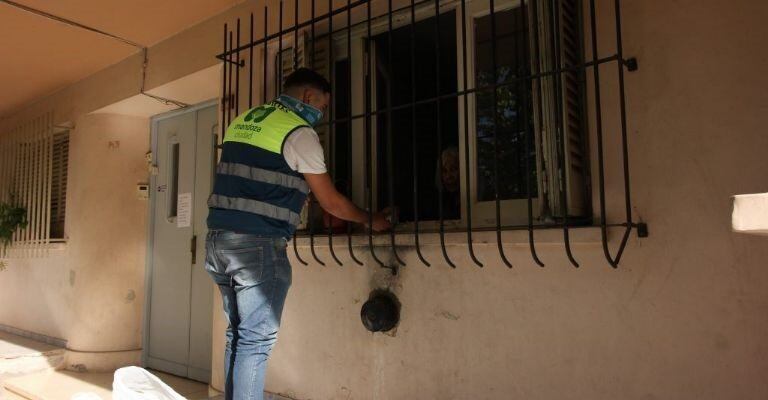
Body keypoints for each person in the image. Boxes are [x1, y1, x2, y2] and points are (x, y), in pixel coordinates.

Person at [204, 68, 391, 400]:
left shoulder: (245, 120)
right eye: (323, 105)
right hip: (256, 247)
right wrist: (371, 220)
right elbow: (332, 202)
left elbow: (254, 177)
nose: (323, 113)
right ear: (307, 97)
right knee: (256, 341)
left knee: (238, 336)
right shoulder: (298, 132)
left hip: (219, 242)